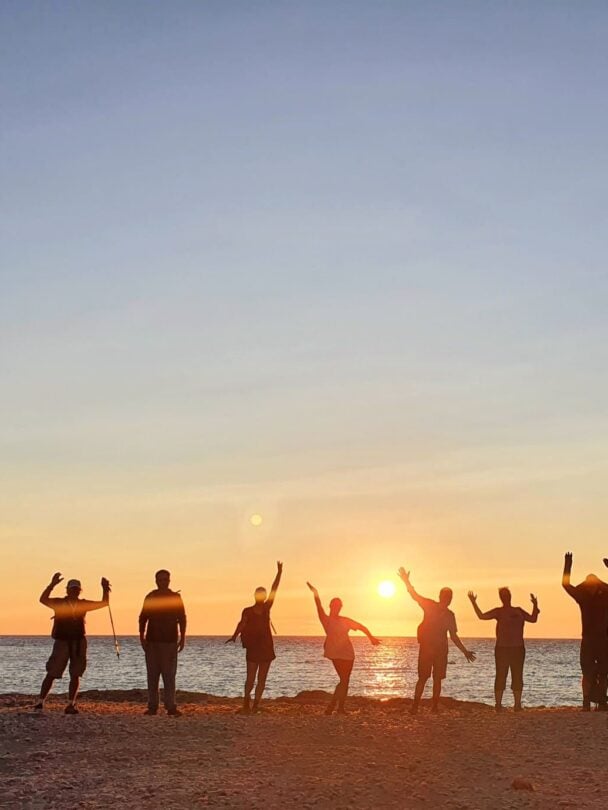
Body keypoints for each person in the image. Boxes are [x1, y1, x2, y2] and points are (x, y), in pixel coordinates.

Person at [398, 567, 475, 714]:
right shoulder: (433, 607)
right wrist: (406, 581)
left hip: (436, 649)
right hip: (430, 648)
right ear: (444, 597)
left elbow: (453, 636)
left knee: (432, 679)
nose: (449, 600)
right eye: (448, 597)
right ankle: (421, 706)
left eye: (449, 597)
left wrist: (464, 651)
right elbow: (414, 595)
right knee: (428, 678)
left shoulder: (445, 612)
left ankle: (427, 707)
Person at [36, 572, 111, 714]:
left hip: (79, 642)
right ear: (67, 590)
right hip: (62, 641)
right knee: (52, 672)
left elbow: (104, 603)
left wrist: (105, 589)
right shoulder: (59, 603)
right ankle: (40, 701)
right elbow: (42, 599)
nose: (74, 591)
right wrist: (51, 584)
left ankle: (71, 704)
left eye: (76, 589)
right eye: (72, 589)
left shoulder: (83, 604)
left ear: (79, 590)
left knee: (75, 674)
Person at [306, 582, 380, 714]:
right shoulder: (325, 619)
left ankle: (338, 708)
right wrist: (315, 593)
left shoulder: (345, 620)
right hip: (335, 653)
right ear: (330, 606)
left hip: (348, 654)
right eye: (335, 605)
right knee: (344, 680)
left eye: (339, 606)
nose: (337, 608)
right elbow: (318, 606)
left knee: (345, 681)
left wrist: (371, 637)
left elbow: (361, 626)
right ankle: (333, 707)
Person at [468, 588, 539, 711]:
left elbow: (533, 619)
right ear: (501, 598)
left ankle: (517, 705)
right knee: (501, 675)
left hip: (517, 648)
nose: (506, 597)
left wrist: (535, 605)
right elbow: (481, 616)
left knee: (517, 675)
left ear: (510, 596)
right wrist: (473, 602)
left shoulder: (518, 611)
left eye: (507, 595)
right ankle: (499, 705)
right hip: (502, 648)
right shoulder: (498, 612)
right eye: (504, 595)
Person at [227, 561, 283, 714]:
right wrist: (234, 636)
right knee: (251, 678)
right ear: (255, 596)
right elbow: (242, 624)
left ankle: (255, 704)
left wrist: (279, 573)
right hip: (254, 648)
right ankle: (246, 701)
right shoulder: (248, 611)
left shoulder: (266, 608)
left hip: (265, 648)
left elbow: (275, 589)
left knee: (261, 679)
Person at [562, 551, 608, 710]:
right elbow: (566, 585)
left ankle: (598, 702)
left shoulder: (602, 594)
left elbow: (566, 585)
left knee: (602, 671)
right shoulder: (584, 596)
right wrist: (568, 564)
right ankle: (589, 701)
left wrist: (568, 564)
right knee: (589, 671)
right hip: (591, 638)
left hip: (600, 638)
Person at [139, 569, 187, 717]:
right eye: (160, 580)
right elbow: (143, 617)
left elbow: (182, 618)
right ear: (156, 581)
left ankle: (170, 706)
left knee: (169, 675)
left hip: (170, 641)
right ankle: (152, 706)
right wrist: (142, 636)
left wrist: (183, 636)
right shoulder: (151, 597)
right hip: (152, 641)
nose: (163, 582)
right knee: (152, 675)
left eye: (165, 580)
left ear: (169, 580)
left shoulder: (175, 597)